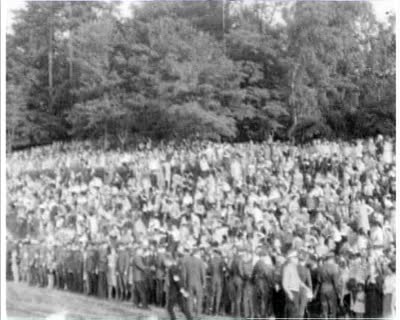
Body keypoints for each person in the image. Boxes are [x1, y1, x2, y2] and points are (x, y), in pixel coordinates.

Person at [164, 253, 193, 320]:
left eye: (165, 261)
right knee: (183, 308)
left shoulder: (172, 268)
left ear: (168, 261)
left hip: (174, 291)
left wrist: (182, 290)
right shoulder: (175, 267)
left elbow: (177, 280)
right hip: (178, 291)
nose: (164, 263)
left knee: (169, 308)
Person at [281, 250, 302, 318]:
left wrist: (307, 288)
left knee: (295, 313)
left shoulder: (294, 267)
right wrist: (289, 293)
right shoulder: (287, 268)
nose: (297, 259)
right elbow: (284, 283)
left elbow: (298, 281)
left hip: (296, 292)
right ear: (290, 259)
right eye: (295, 258)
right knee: (292, 314)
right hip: (291, 292)